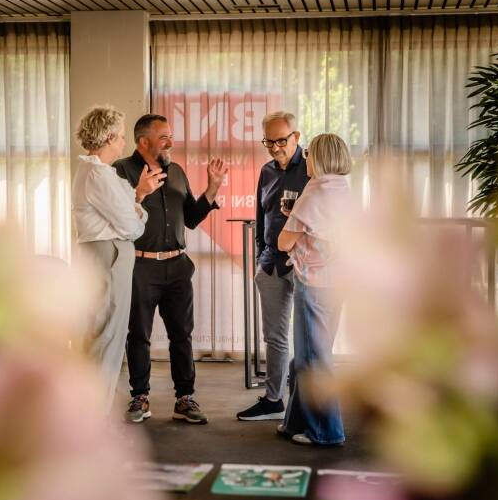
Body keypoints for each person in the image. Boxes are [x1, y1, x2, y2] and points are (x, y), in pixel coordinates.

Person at [113, 114, 228, 424]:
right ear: (143, 142)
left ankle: (184, 398)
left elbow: (190, 218)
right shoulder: (121, 171)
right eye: (163, 137)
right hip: (140, 267)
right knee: (139, 335)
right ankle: (140, 397)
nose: (170, 142)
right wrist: (139, 192)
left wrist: (212, 188)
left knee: (182, 335)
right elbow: (116, 216)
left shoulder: (176, 171)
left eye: (170, 136)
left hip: (178, 267)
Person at [72, 106, 165, 412]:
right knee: (107, 335)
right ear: (110, 137)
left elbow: (127, 208)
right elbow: (132, 227)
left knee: (103, 333)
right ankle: (92, 416)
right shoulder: (98, 174)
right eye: (122, 136)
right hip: (109, 255)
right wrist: (138, 211)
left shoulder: (99, 172)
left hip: (105, 254)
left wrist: (137, 197)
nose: (125, 142)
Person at [276, 133, 351, 446]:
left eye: (308, 153)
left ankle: (326, 432)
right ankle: (295, 422)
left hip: (314, 284)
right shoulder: (342, 188)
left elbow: (283, 242)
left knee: (313, 361)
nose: (305, 158)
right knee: (308, 356)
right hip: (337, 283)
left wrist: (292, 221)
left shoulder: (315, 191)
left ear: (319, 157)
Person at [236, 111, 309, 421]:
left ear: (296, 137)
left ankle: (306, 404)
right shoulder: (266, 171)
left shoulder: (312, 168)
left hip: (304, 265)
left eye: (281, 140)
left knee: (307, 337)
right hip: (271, 265)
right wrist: (260, 257)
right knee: (275, 337)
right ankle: (273, 400)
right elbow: (261, 216)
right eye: (269, 142)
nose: (275, 147)